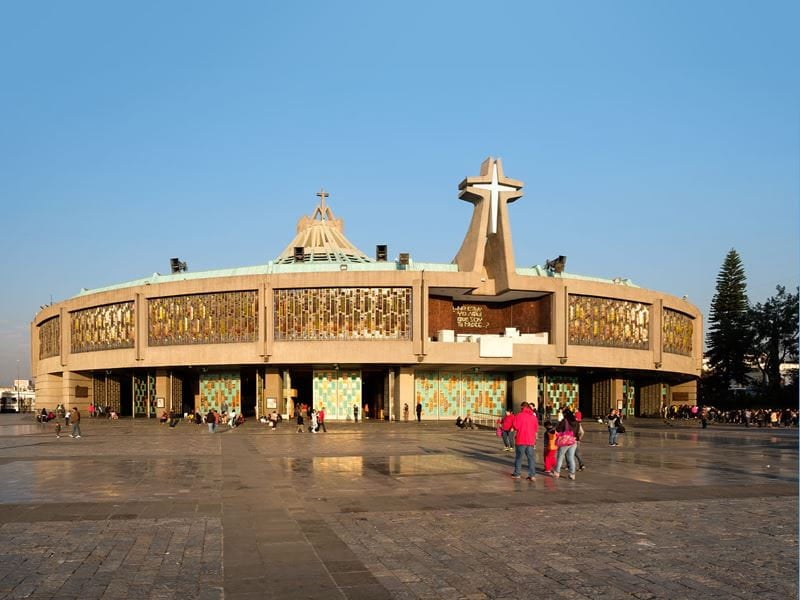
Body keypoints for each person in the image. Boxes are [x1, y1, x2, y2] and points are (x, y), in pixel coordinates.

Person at [510, 401, 539, 481]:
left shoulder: (519, 415)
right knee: (531, 459)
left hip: (521, 439)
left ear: (522, 407)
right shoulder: (533, 417)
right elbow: (536, 429)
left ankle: (517, 474)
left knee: (519, 458)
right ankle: (532, 475)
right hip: (530, 440)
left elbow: (515, 426)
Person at [553, 409, 579, 479]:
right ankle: (572, 474)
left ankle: (557, 472)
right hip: (573, 441)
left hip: (565, 441)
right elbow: (578, 431)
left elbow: (558, 429)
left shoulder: (565, 421)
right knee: (571, 457)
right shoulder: (576, 422)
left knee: (560, 456)